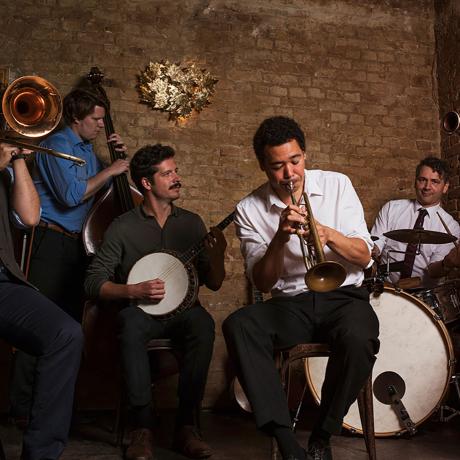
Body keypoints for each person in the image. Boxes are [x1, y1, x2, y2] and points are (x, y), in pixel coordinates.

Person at [222, 116, 379, 460]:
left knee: (361, 337)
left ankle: (322, 436)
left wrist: (327, 234)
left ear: (304, 154)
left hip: (343, 296)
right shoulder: (249, 209)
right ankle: (287, 443)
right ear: (263, 166)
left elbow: (365, 255)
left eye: (295, 161)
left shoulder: (338, 185)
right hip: (289, 304)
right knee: (239, 324)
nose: (289, 173)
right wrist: (279, 237)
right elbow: (261, 281)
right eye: (277, 166)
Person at [84, 144, 227, 460]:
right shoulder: (123, 227)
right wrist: (133, 292)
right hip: (142, 313)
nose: (177, 178)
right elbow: (93, 282)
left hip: (185, 311)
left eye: (175, 171)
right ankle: (142, 428)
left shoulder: (192, 223)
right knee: (129, 323)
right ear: (147, 183)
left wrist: (217, 255)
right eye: (168, 173)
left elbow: (214, 283)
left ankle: (188, 427)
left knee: (202, 323)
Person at [9, 88, 130, 425]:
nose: (100, 125)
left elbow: (104, 193)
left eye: (103, 120)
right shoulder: (56, 145)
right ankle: (21, 409)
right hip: (47, 240)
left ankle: (49, 408)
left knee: (65, 328)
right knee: (35, 324)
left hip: (75, 246)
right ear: (76, 118)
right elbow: (72, 195)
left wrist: (115, 157)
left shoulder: (88, 151)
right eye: (96, 119)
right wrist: (110, 170)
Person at [0, 142, 83, 460]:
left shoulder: (5, 173)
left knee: (66, 334)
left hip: (4, 282)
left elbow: (31, 216)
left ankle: (41, 454)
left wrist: (19, 161)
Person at [371, 156, 460, 288]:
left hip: (421, 296)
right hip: (385, 288)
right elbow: (376, 245)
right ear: (415, 181)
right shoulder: (392, 208)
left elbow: (433, 271)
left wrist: (447, 263)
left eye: (435, 182)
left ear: (445, 187)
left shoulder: (451, 226)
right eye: (422, 180)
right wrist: (368, 249)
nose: (427, 187)